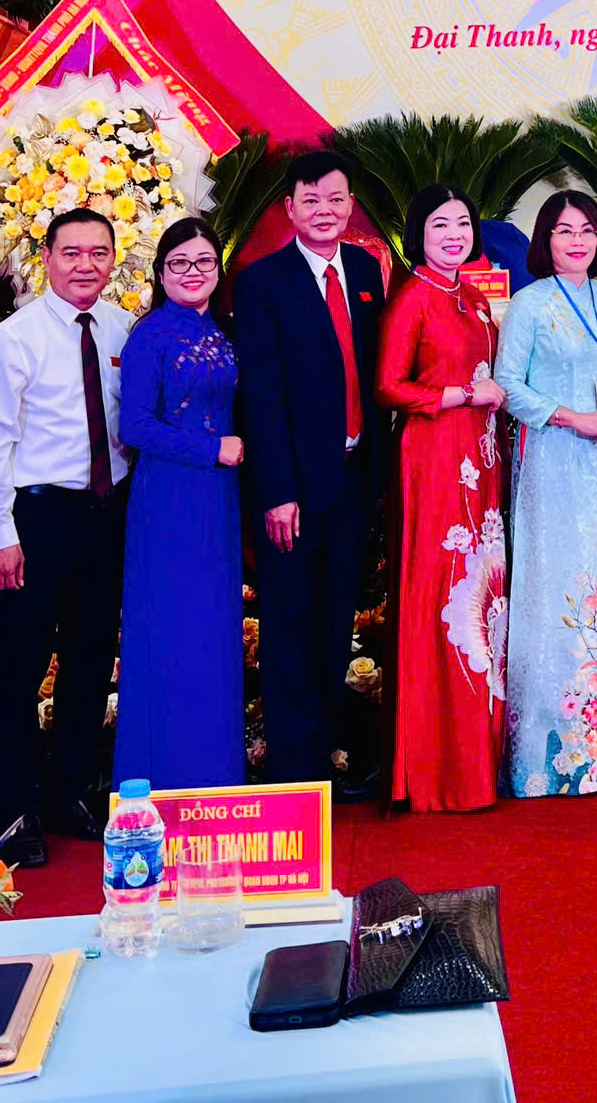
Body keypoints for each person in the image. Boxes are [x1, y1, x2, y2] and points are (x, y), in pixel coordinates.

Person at [0, 208, 133, 866]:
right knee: (23, 665)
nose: (85, 265)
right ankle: (14, 807)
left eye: (98, 253)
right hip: (37, 517)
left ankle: (69, 791)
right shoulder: (15, 337)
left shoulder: (124, 326)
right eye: (71, 253)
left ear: (114, 258)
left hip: (106, 514)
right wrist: (0, 533)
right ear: (46, 257)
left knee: (91, 660)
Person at [232, 152, 388, 789]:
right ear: (290, 209)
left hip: (354, 479)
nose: (325, 211)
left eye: (336, 199)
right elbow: (261, 395)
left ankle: (329, 757)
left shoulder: (366, 270)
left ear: (350, 207)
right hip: (293, 489)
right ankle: (294, 771)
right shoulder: (262, 282)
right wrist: (277, 491)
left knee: (335, 620)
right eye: (312, 200)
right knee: (291, 623)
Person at [498, 192, 597, 798]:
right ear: (545, 240)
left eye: (587, 230)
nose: (577, 241)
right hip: (553, 461)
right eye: (564, 231)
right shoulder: (529, 303)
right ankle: (548, 755)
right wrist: (570, 417)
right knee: (556, 586)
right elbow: (507, 385)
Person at [380, 184, 508, 812]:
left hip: (481, 460)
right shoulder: (413, 297)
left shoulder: (474, 297)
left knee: (485, 595)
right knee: (442, 592)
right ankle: (437, 767)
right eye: (440, 225)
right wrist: (458, 396)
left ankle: (478, 757)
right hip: (433, 457)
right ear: (418, 233)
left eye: (462, 224)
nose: (454, 235)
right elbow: (388, 385)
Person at [114, 218, 245, 789]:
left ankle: (214, 779)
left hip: (218, 497)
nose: (193, 272)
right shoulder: (150, 335)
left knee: (215, 631)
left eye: (204, 262)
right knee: (173, 631)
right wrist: (212, 449)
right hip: (169, 497)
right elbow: (136, 426)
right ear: (161, 272)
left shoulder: (223, 329)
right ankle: (163, 780)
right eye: (180, 263)